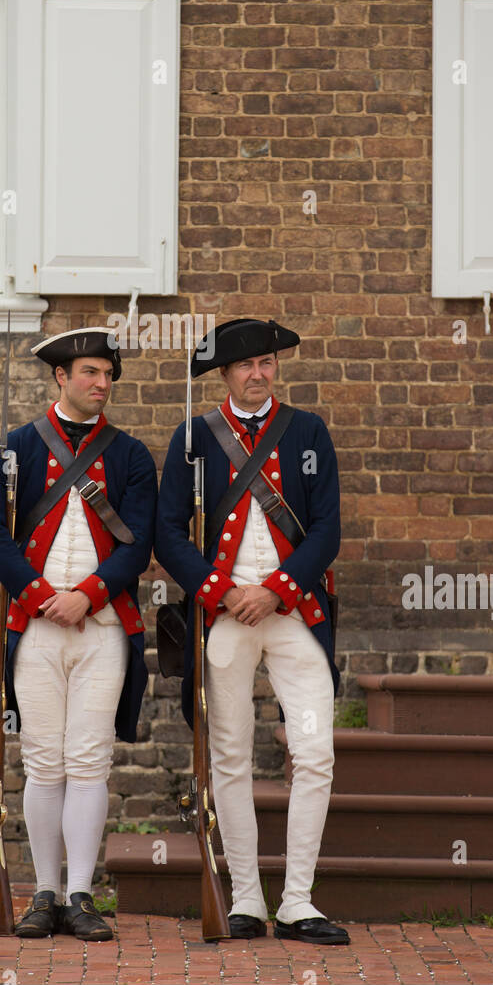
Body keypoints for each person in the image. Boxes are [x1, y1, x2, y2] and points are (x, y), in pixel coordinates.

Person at [155, 318, 349, 944]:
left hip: (295, 616)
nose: (258, 373)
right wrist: (223, 592)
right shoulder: (193, 438)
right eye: (245, 365)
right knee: (231, 757)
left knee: (314, 751)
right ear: (225, 373)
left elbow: (326, 530)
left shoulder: (309, 432)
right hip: (228, 617)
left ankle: (298, 901)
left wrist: (277, 589)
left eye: (266, 362)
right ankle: (245, 899)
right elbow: (168, 534)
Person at [0, 327, 157, 941]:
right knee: (42, 763)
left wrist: (89, 594)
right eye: (89, 372)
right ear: (61, 377)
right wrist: (42, 595)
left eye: (108, 374)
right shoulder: (16, 448)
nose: (101, 384)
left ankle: (81, 893)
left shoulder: (130, 455)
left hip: (102, 626)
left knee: (89, 762)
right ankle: (44, 894)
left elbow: (139, 543)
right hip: (36, 626)